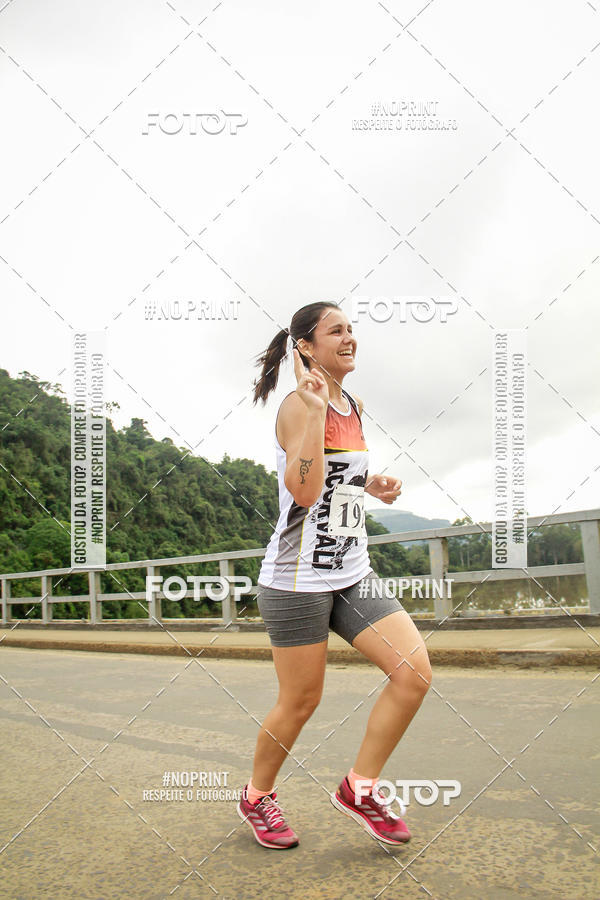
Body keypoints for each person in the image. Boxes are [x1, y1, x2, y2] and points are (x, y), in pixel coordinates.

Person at [237, 301, 432, 849]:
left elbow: (339, 475)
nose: (350, 337)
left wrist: (372, 484)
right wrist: (316, 411)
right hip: (296, 578)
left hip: (351, 571)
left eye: (351, 328)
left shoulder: (353, 402)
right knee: (301, 701)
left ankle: (360, 788)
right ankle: (257, 797)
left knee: (413, 674)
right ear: (306, 347)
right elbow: (302, 489)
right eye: (335, 331)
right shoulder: (300, 408)